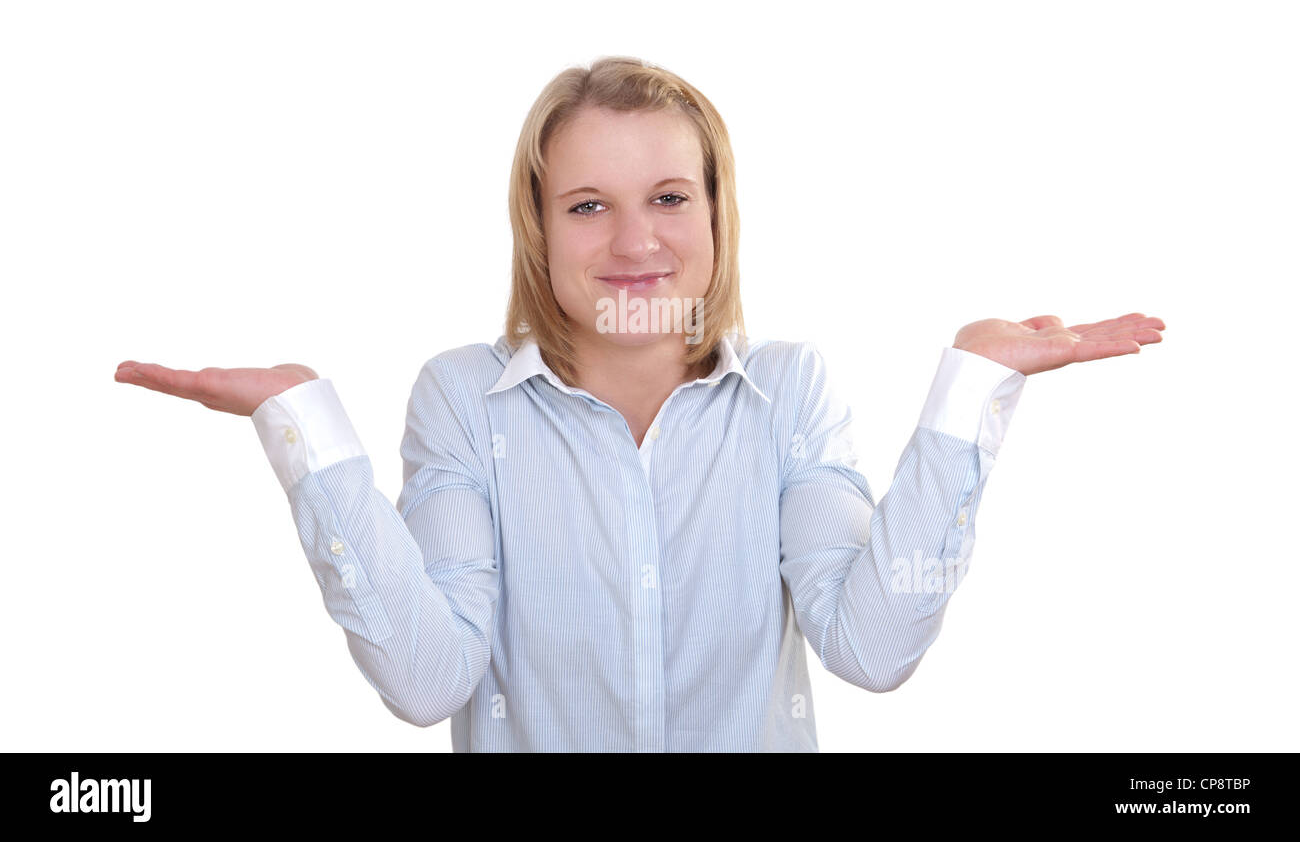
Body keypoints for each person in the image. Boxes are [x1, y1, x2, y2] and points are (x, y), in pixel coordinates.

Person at [114, 56, 1166, 752]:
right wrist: (304, 426)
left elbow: (872, 649)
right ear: (537, 225)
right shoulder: (464, 398)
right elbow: (428, 678)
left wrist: (969, 392)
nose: (634, 243)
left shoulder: (788, 390)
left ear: (715, 209)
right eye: (588, 206)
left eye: (668, 196)